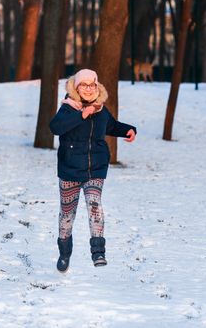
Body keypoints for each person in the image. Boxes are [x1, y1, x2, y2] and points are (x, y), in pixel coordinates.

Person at [49, 69, 136, 273]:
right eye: (83, 85)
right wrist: (81, 115)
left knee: (95, 205)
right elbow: (55, 127)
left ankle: (98, 252)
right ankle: (64, 253)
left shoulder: (101, 110)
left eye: (92, 85)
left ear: (97, 87)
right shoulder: (68, 108)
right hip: (70, 170)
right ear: (76, 88)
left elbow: (112, 126)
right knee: (67, 214)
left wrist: (129, 129)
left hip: (95, 169)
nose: (88, 89)